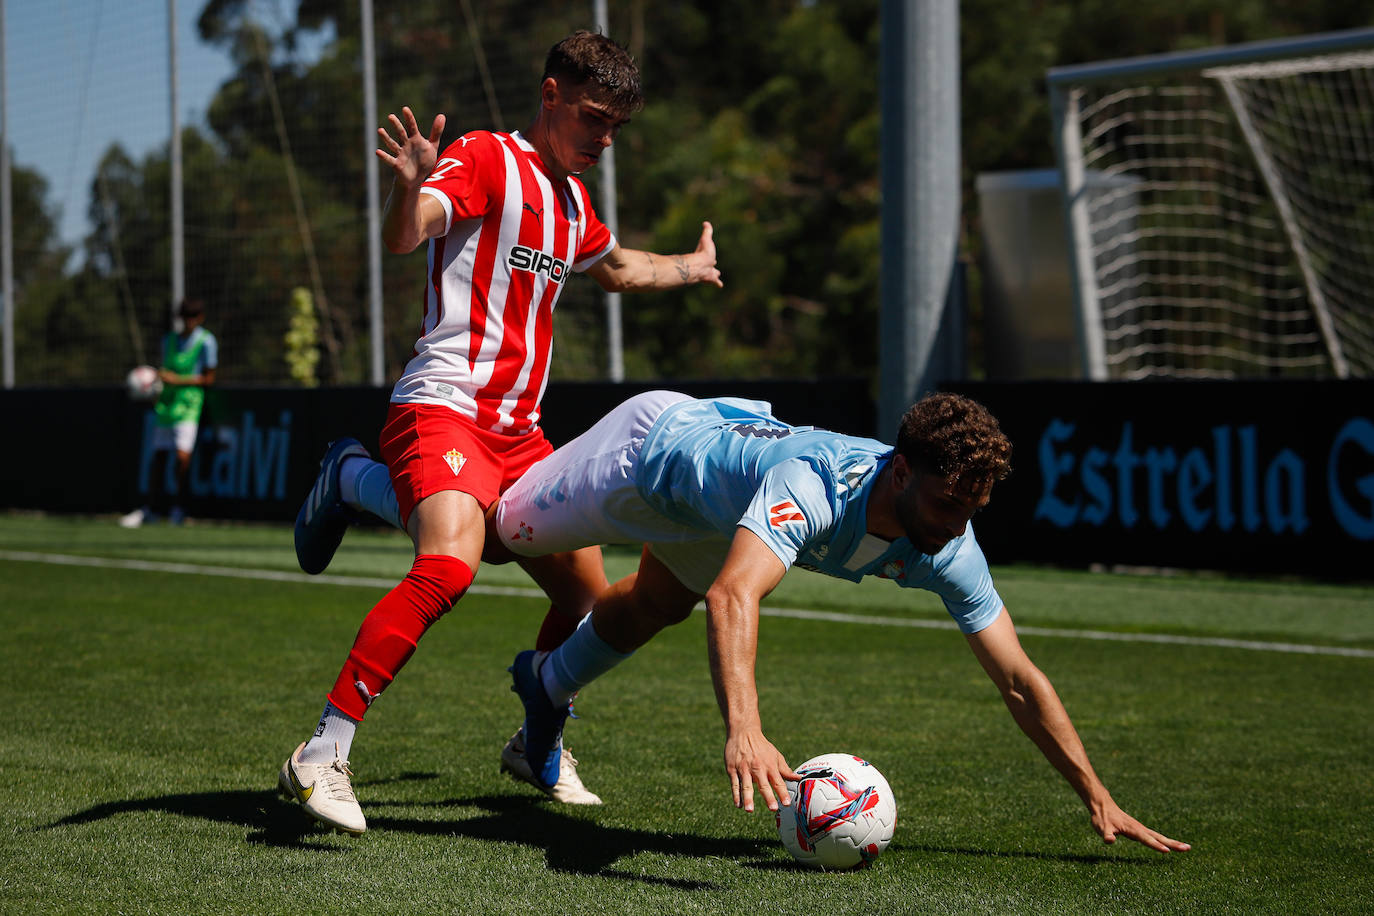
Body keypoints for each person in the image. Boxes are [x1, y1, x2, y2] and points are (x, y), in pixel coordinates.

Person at [279, 30, 723, 836]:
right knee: (449, 565)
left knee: (596, 604)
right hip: (441, 406)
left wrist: (690, 267)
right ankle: (322, 751)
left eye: (615, 128)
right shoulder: (486, 158)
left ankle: (536, 740)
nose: (602, 139)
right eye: (592, 118)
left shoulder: (575, 202)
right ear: (550, 95)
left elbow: (618, 268)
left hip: (520, 437)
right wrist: (407, 188)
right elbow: (406, 234)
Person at [491, 389, 1191, 854]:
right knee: (489, 536)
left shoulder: (950, 545)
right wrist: (746, 729)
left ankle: (545, 684)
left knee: (657, 606)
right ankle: (376, 472)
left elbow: (1017, 678)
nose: (955, 528)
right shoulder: (820, 483)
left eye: (970, 510)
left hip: (713, 508)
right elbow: (737, 594)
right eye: (946, 503)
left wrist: (1097, 797)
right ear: (901, 471)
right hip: (647, 453)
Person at [120, 299, 218, 528]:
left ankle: (178, 509)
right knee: (158, 458)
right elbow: (165, 373)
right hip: (166, 406)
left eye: (193, 316)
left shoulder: (207, 342)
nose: (188, 321)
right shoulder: (169, 341)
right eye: (185, 316)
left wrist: (178, 380)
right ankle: (151, 509)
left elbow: (209, 379)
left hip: (189, 407)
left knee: (182, 459)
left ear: (200, 318)